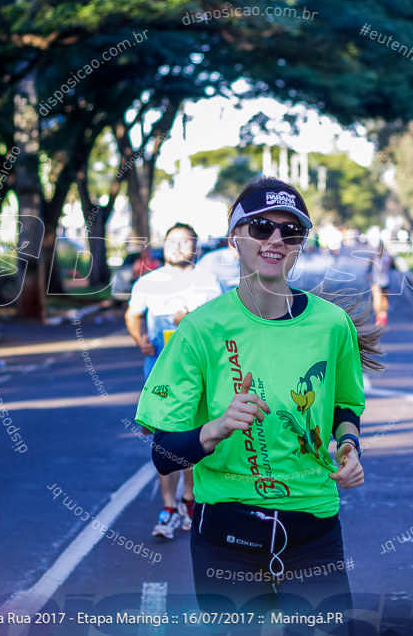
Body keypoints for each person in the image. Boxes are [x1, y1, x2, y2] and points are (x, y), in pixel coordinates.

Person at [135, 177, 381, 621]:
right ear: (235, 238)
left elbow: (346, 406)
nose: (275, 240)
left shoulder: (332, 325)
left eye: (291, 232)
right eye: (262, 226)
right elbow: (164, 454)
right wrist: (216, 428)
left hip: (313, 529)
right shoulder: (201, 330)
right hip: (227, 536)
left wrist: (350, 446)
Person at [126, 224, 220, 539]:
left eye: (185, 241)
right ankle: (168, 507)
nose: (177, 246)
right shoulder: (148, 283)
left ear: (195, 248)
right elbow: (132, 314)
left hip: (198, 376)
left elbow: (219, 325)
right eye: (172, 241)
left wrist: (190, 319)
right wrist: (139, 339)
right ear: (163, 247)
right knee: (164, 442)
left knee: (192, 439)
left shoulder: (207, 282)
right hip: (159, 376)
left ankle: (189, 500)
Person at [368, 241, 394, 326]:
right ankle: (379, 317)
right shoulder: (374, 257)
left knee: (384, 299)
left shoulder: (388, 258)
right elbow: (369, 267)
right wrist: (368, 274)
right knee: (377, 299)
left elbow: (392, 267)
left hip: (385, 280)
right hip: (376, 281)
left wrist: (390, 262)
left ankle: (383, 314)